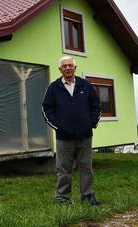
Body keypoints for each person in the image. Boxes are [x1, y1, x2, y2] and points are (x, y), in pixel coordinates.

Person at [42, 56, 101, 205]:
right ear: (60, 70)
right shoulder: (54, 88)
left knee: (86, 168)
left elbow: (96, 105)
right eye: (64, 66)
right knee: (63, 169)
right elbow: (46, 108)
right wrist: (58, 126)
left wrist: (92, 123)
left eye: (70, 65)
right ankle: (63, 198)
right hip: (64, 137)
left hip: (85, 135)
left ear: (75, 68)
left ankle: (88, 196)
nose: (67, 68)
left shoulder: (86, 86)